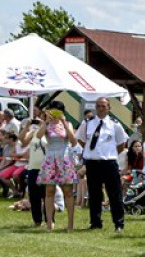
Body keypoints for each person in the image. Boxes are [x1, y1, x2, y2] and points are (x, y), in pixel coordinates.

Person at [76, 97, 128, 232]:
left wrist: (109, 153)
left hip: (109, 162)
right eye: (98, 106)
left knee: (114, 194)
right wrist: (91, 152)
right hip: (92, 162)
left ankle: (119, 223)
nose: (100, 108)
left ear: (109, 108)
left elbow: (121, 144)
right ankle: (95, 222)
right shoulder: (87, 123)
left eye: (103, 106)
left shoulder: (115, 124)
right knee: (94, 194)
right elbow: (81, 140)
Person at [36, 100, 78, 232]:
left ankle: (70, 224)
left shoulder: (67, 124)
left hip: (64, 157)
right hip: (50, 157)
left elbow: (73, 140)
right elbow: (38, 136)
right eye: (52, 110)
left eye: (57, 111)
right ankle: (49, 223)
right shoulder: (46, 124)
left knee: (68, 191)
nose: (54, 113)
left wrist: (64, 123)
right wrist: (46, 122)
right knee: (49, 191)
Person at [20, 111, 47, 226]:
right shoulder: (34, 132)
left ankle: (49, 219)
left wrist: (45, 125)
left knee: (46, 195)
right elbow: (22, 140)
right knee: (34, 195)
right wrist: (27, 126)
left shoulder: (51, 132)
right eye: (42, 117)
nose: (42, 119)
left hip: (46, 168)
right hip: (33, 167)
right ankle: (37, 220)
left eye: (45, 117)